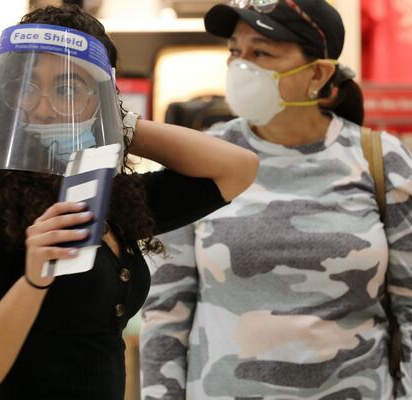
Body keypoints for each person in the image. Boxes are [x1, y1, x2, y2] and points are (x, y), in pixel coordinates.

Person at [0, 5, 259, 400]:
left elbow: (237, 169)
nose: (41, 107)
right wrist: (33, 281)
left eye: (67, 89)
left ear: (100, 99)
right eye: (25, 85)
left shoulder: (106, 198)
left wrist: (120, 123)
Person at [140, 0, 412, 399]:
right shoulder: (203, 158)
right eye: (235, 51)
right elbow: (166, 311)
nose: (240, 65)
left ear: (318, 73)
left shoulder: (382, 160)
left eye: (261, 53)